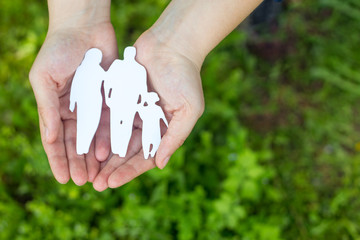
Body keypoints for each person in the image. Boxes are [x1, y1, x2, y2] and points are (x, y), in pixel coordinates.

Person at [29, 0, 262, 191]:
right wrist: (77, 18)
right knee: (102, 125)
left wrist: (181, 43)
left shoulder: (133, 71)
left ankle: (261, 16)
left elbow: (116, 85)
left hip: (127, 102)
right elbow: (101, 86)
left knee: (115, 125)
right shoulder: (112, 70)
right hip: (118, 101)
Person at [104, 47, 147, 157]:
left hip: (129, 101)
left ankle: (122, 149)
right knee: (116, 124)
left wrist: (141, 102)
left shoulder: (139, 69)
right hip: (117, 99)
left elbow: (143, 87)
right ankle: (116, 148)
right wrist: (108, 96)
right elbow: (108, 81)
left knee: (126, 125)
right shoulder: (118, 65)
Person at [69, 48, 104, 155]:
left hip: (96, 100)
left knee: (93, 122)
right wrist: (72, 101)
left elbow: (109, 80)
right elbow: (75, 86)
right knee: (83, 123)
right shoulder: (81, 69)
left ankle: (85, 145)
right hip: (83, 99)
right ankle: (81, 146)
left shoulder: (99, 70)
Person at [137, 92, 168, 160]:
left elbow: (163, 118)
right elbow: (163, 119)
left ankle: (150, 153)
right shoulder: (152, 109)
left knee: (152, 141)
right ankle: (148, 153)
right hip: (149, 128)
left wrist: (168, 126)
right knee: (149, 141)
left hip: (152, 128)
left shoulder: (156, 109)